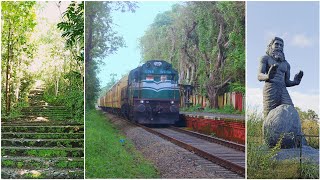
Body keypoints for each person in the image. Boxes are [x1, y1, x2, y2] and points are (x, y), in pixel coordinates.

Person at [258, 37, 303, 116]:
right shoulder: (265, 58)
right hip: (270, 88)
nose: (279, 47)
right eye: (276, 44)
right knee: (269, 114)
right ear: (271, 45)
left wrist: (295, 82)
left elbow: (287, 82)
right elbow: (259, 75)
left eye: (281, 45)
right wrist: (268, 76)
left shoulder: (286, 64)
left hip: (282, 89)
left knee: (290, 111)